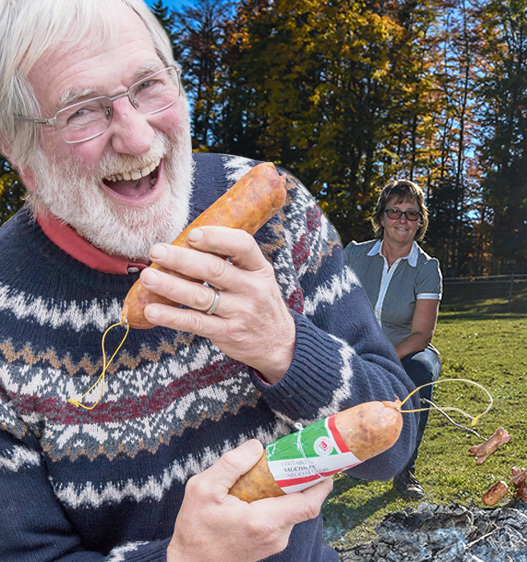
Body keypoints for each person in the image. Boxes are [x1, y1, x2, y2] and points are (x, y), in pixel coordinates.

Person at [0, 1, 417, 560]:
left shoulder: (278, 208)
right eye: (81, 112)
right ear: (19, 153)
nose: (138, 138)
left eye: (148, 84)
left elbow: (392, 442)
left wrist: (286, 347)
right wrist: (184, 558)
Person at [345, 180, 442, 499]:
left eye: (412, 214)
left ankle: (404, 469)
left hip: (407, 350)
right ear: (382, 217)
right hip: (354, 346)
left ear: (420, 222)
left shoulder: (427, 268)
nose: (403, 220)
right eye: (395, 212)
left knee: (420, 372)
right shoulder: (354, 254)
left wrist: (380, 359)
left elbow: (421, 335)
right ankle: (349, 457)